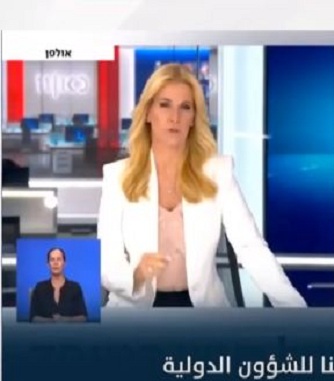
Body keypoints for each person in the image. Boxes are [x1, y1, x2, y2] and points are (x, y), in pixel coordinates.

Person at [98, 64, 306, 308]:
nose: (174, 117)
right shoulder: (118, 176)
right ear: (148, 113)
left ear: (193, 119)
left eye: (185, 107)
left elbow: (250, 246)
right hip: (135, 312)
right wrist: (135, 276)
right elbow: (105, 259)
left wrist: (294, 308)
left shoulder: (218, 172)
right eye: (165, 105)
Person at [30, 248, 88, 322]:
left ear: (64, 263)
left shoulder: (75, 288)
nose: (55, 263)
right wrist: (53, 322)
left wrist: (63, 320)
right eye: (52, 260)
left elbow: (83, 318)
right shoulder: (39, 288)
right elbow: (33, 318)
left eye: (59, 259)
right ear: (48, 264)